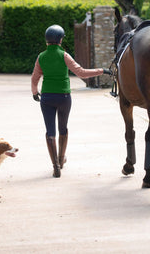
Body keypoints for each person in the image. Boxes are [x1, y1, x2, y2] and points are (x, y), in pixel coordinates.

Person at [31, 24, 111, 178]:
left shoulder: (41, 56)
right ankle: (61, 160)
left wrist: (35, 93)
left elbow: (34, 79)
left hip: (47, 97)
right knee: (63, 129)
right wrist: (102, 71)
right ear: (60, 39)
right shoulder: (64, 55)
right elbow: (81, 72)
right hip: (64, 98)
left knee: (50, 131)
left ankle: (55, 167)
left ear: (47, 40)